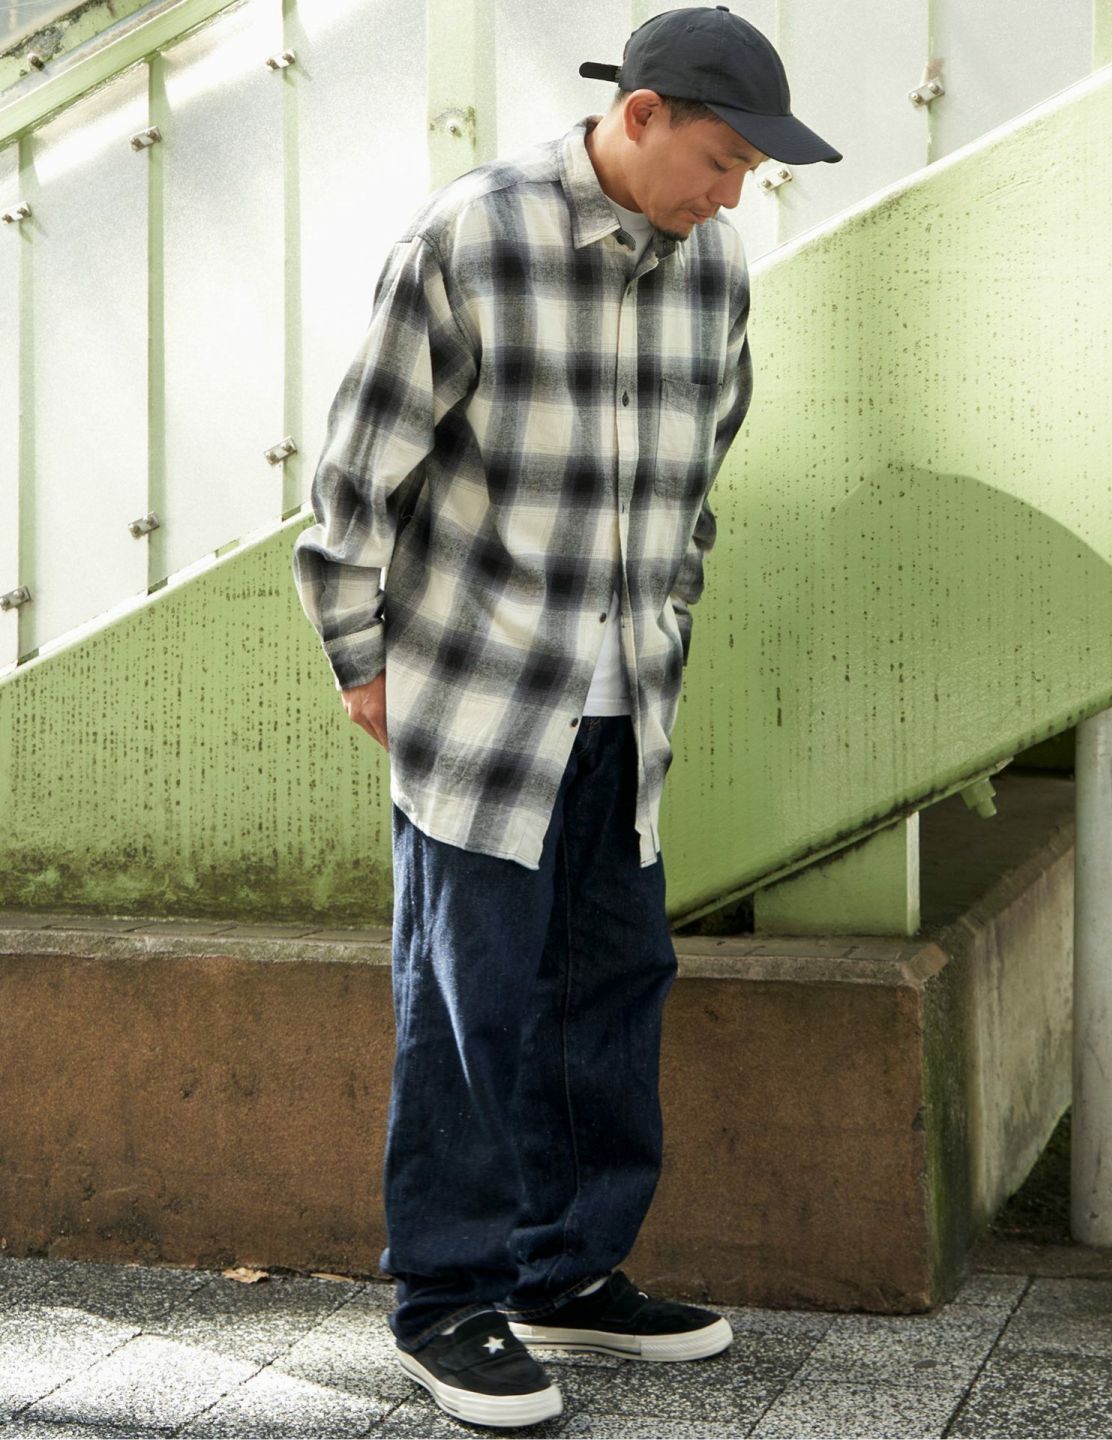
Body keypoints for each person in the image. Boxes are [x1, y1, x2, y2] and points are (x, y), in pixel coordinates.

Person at [292, 5, 841, 1428]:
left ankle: (566, 1271)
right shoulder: (470, 238)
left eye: (749, 176)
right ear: (641, 115)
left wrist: (666, 621)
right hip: (481, 708)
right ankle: (445, 1301)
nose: (732, 197)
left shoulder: (715, 268)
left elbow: (699, 477)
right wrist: (360, 660)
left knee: (613, 987)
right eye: (721, 162)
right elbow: (356, 479)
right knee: (468, 1005)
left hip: (624, 708)